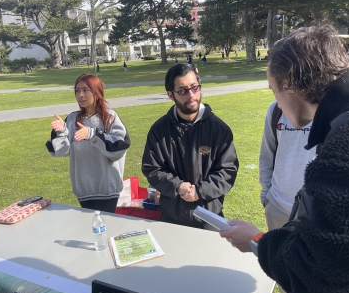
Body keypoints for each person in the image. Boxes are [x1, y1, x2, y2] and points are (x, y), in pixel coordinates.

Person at [220, 24, 349, 293]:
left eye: (273, 90)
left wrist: (256, 241)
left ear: (289, 84)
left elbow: (320, 281)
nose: (276, 101)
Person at [141, 63, 239, 229]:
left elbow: (227, 170)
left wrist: (200, 191)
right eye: (183, 91)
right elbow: (152, 168)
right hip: (172, 217)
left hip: (209, 217)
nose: (191, 95)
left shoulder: (219, 129)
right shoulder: (159, 129)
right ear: (170, 95)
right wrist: (177, 186)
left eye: (195, 87)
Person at [259, 102, 316, 293]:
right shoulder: (275, 109)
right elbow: (268, 153)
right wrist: (267, 195)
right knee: (282, 264)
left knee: (313, 269)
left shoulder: (327, 106)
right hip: (278, 203)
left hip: (315, 211)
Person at [46, 74, 131, 213]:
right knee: (91, 228)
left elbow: (119, 148)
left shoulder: (110, 117)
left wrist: (93, 134)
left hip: (107, 190)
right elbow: (59, 151)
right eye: (77, 91)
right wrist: (60, 132)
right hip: (83, 190)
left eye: (86, 90)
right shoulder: (72, 118)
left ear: (97, 92)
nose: (81, 95)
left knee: (104, 227)